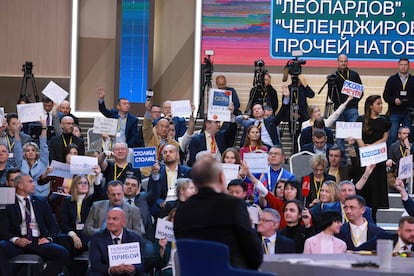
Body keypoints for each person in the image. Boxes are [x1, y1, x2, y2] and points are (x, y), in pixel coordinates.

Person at [174, 155, 262, 270]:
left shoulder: (181, 211)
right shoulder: (233, 205)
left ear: (194, 182)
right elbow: (255, 255)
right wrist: (249, 227)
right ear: (221, 178)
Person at [0, 173, 69, 276]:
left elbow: (53, 225)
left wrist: (48, 238)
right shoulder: (7, 201)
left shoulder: (41, 201)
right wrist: (16, 240)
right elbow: (2, 229)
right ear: (20, 185)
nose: (34, 185)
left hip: (38, 242)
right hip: (16, 243)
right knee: (1, 247)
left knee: (63, 253)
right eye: (30, 182)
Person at [356, 95, 391, 220]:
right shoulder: (360, 119)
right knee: (365, 188)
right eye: (378, 104)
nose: (381, 106)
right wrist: (362, 146)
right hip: (364, 158)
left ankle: (373, 219)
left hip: (378, 159)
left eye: (381, 103)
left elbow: (385, 138)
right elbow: (357, 137)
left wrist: (371, 146)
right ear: (371, 106)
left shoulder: (384, 121)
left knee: (376, 190)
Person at [88, 207, 144, 275]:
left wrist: (133, 268)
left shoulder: (134, 237)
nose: (110, 222)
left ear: (123, 222)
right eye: (108, 218)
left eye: (115, 219)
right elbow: (95, 264)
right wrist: (111, 269)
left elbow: (141, 264)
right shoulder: (97, 238)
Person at [58, 175, 104, 258]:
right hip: (72, 235)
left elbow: (99, 194)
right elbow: (63, 223)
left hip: (87, 235)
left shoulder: (91, 200)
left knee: (70, 247)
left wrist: (97, 177)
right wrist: (73, 235)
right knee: (62, 239)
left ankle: (68, 268)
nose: (84, 185)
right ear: (74, 186)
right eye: (80, 183)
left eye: (86, 183)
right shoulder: (67, 201)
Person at [147, 144, 191, 217]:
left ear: (177, 155)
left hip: (182, 204)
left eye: (171, 152)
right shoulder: (156, 172)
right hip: (163, 206)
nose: (167, 154)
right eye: (165, 152)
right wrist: (160, 203)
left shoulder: (188, 171)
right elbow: (152, 194)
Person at [14, 119, 49, 198]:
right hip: (24, 193)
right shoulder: (21, 163)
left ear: (37, 152)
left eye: (33, 150)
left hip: (40, 195)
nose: (30, 152)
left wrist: (44, 128)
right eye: (27, 150)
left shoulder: (43, 162)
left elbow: (43, 146)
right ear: (24, 153)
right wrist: (16, 132)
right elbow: (17, 149)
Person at [383, 58, 414, 144]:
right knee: (392, 134)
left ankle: (408, 154)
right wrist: (394, 100)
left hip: (408, 113)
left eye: (405, 65)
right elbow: (385, 96)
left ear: (409, 66)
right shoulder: (391, 80)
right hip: (394, 112)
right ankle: (391, 155)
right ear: (398, 66)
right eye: (401, 65)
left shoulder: (412, 80)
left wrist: (409, 102)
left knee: (409, 135)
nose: (403, 67)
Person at [328, 54, 363, 123]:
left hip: (352, 108)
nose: (343, 63)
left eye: (345, 61)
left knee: (353, 130)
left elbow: (360, 91)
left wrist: (354, 102)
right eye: (341, 61)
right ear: (337, 62)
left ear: (347, 62)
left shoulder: (354, 74)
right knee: (340, 132)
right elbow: (330, 94)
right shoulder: (333, 76)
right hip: (339, 108)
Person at [123, 175, 156, 241]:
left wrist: (155, 176)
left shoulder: (143, 198)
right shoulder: (116, 200)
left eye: (133, 185)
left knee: (150, 250)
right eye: (127, 184)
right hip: (123, 239)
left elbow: (155, 193)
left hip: (143, 237)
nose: (129, 187)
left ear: (138, 189)